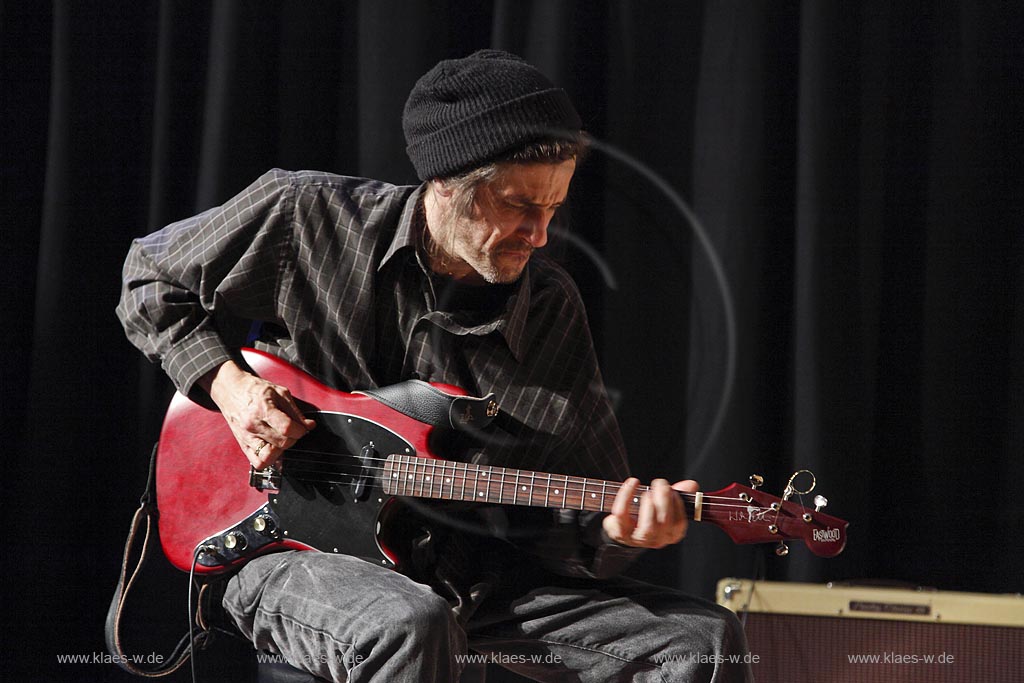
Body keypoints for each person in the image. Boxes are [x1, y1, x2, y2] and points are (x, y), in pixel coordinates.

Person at [117, 49, 752, 683]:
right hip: (278, 545)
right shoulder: (304, 214)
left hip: (463, 573)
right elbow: (147, 280)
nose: (539, 235)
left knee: (704, 641)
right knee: (411, 624)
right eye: (516, 206)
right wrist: (232, 389)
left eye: (553, 209)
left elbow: (580, 505)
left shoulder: (549, 305)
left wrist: (622, 532)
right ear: (444, 183)